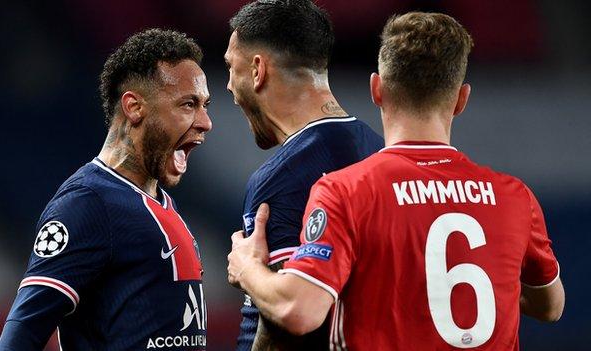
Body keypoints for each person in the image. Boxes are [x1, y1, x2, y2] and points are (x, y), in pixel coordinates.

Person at [228, 12, 565, 350]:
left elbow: (298, 310)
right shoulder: (514, 197)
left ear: (377, 89)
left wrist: (247, 269)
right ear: (461, 100)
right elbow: (551, 306)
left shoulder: (345, 191)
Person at [0, 29, 212, 350]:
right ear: (134, 107)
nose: (206, 121)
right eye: (188, 104)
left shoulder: (162, 202)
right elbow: (19, 338)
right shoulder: (87, 203)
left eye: (205, 104)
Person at [224, 0, 383, 349]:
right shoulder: (381, 152)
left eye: (230, 68)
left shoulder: (282, 176)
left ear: (256, 70)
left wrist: (247, 270)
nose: (229, 88)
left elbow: (280, 327)